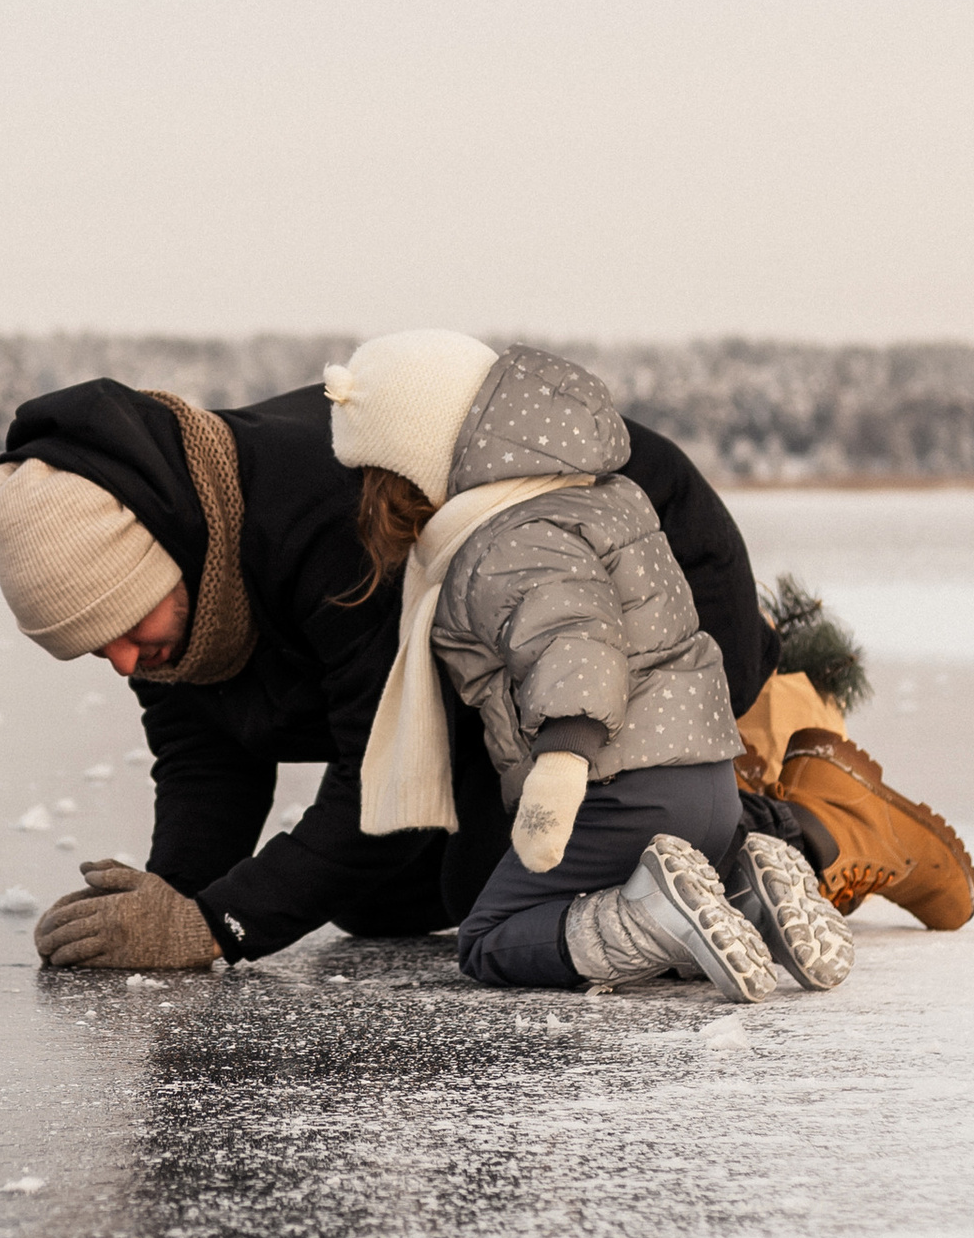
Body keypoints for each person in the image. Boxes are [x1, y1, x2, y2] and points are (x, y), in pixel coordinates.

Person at [0, 354, 804, 971]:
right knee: (375, 903)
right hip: (496, 665)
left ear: (175, 553)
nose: (126, 663)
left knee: (495, 897)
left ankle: (770, 836)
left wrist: (215, 928)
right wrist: (172, 902)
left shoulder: (323, 524)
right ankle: (694, 840)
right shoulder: (182, 563)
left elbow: (389, 785)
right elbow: (210, 757)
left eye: (127, 625)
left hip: (649, 596)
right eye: (97, 649)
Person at [320, 331, 854, 998]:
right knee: (604, 894)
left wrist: (560, 767)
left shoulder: (504, 541)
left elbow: (578, 640)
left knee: (489, 935)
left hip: (619, 789)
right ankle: (746, 893)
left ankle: (654, 918)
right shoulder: (595, 495)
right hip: (711, 784)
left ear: (416, 459)